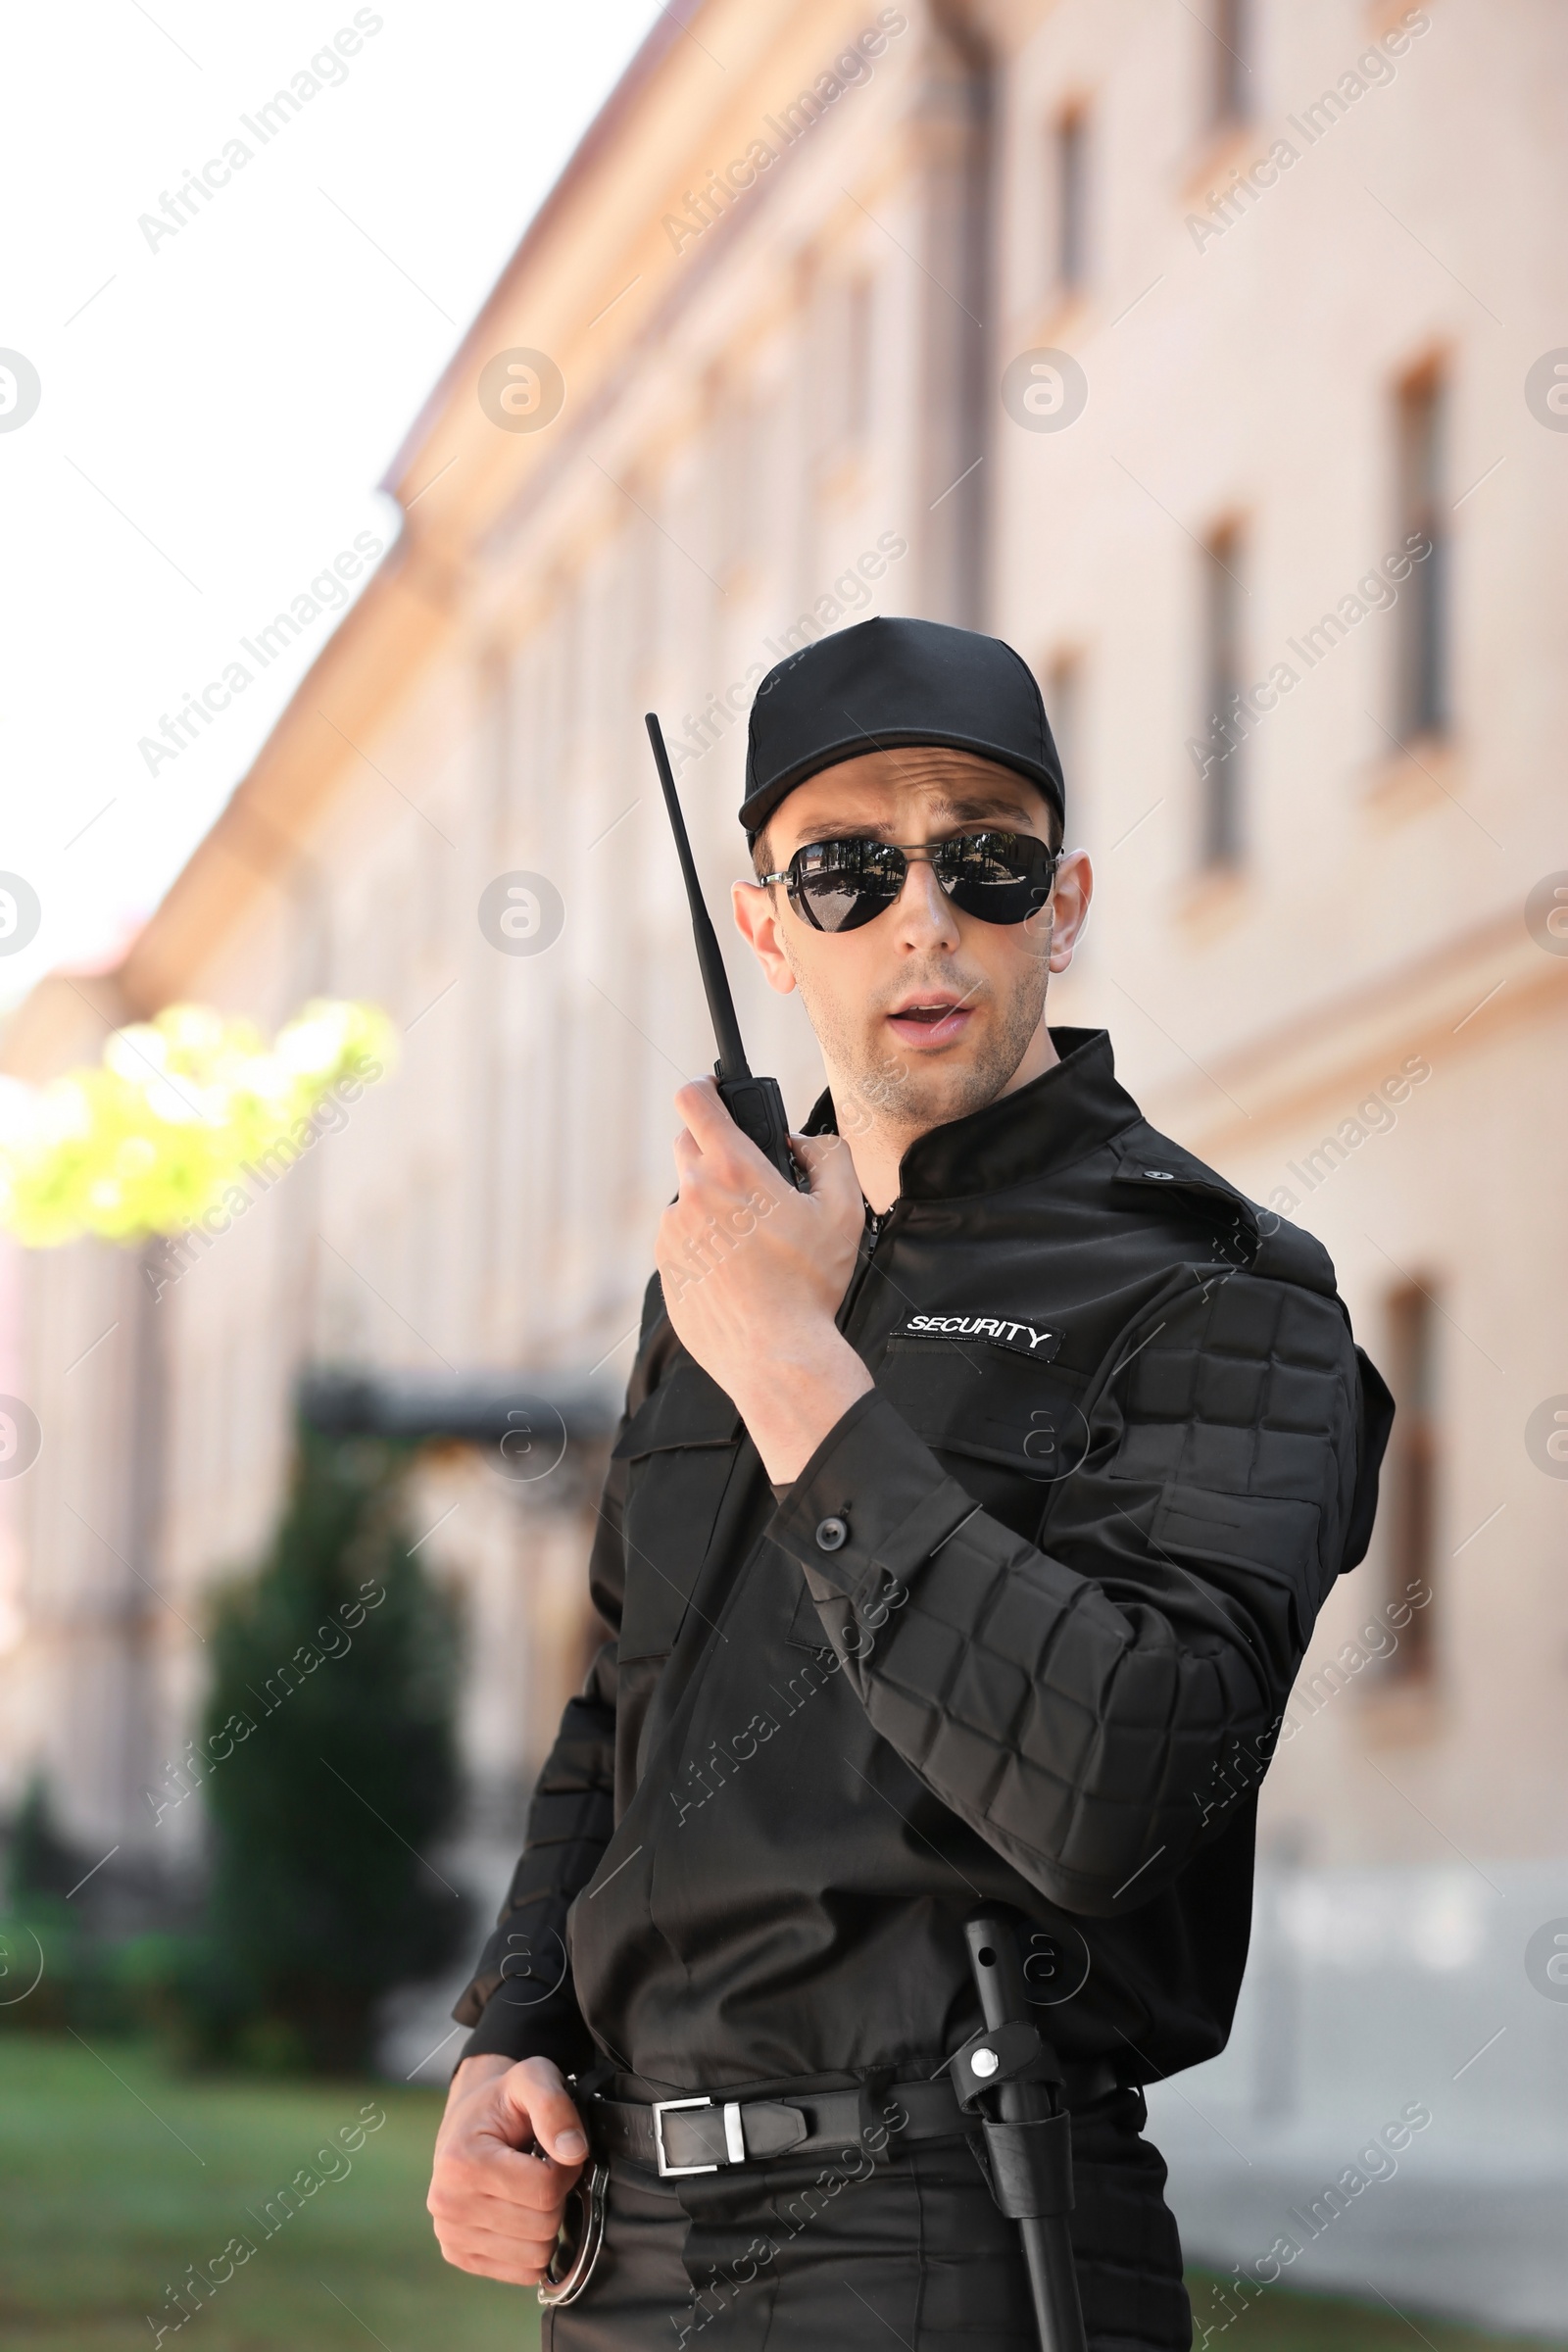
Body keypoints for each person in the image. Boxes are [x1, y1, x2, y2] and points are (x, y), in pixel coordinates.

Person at [426, 616, 1393, 2350]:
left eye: (985, 862)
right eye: (851, 870)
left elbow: (1121, 1783)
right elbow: (619, 1710)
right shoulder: (717, 1269)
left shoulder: (1221, 1295)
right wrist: (512, 2034)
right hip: (621, 2256)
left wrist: (798, 1365)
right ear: (765, 928)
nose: (923, 918)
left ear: (1066, 904)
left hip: (957, 2231)